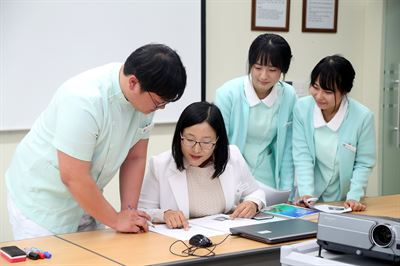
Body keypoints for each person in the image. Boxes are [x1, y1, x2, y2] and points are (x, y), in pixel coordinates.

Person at [5, 43, 187, 240]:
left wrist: (129, 212)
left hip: (86, 197)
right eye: (159, 103)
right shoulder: (83, 99)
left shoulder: (144, 102)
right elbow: (73, 176)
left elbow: (134, 158)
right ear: (133, 83)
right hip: (42, 201)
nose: (160, 109)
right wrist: (116, 221)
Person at [138, 102, 265, 229]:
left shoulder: (233, 156)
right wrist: (164, 214)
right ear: (180, 136)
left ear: (217, 141)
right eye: (190, 140)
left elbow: (255, 191)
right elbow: (142, 210)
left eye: (206, 142)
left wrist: (253, 203)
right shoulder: (159, 165)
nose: (196, 149)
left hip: (226, 238)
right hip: (181, 242)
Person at [214, 33, 297, 200]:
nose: (264, 76)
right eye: (258, 67)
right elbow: (218, 145)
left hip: (269, 181)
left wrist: (286, 192)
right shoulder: (228, 94)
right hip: (231, 176)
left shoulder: (289, 95)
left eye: (272, 70)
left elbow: (288, 148)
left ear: (283, 70)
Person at [292, 55, 376, 211]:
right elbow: (302, 155)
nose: (319, 96)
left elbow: (364, 163)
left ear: (344, 91)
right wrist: (306, 194)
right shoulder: (302, 109)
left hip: (344, 200)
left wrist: (354, 197)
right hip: (309, 200)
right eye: (315, 87)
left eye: (328, 91)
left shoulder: (363, 117)